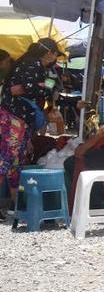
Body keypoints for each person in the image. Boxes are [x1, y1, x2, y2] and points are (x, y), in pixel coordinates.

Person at [0, 39, 63, 210]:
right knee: (7, 159)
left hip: (21, 119)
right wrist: (46, 88)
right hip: (14, 118)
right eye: (56, 54)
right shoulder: (31, 64)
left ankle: (17, 204)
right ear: (49, 52)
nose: (56, 58)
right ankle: (15, 203)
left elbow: (50, 86)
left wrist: (46, 87)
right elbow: (23, 88)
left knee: (16, 162)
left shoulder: (43, 68)